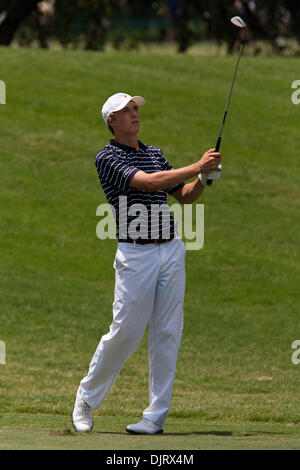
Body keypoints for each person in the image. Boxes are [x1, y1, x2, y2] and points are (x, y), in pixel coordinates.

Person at [71, 92, 222, 434]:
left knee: (168, 332)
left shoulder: (154, 154)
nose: (134, 114)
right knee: (125, 331)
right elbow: (149, 182)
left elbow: (183, 196)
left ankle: (155, 416)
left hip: (171, 249)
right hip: (135, 253)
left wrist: (205, 179)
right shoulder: (106, 157)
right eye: (126, 111)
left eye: (136, 108)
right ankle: (86, 398)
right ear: (111, 120)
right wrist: (198, 165)